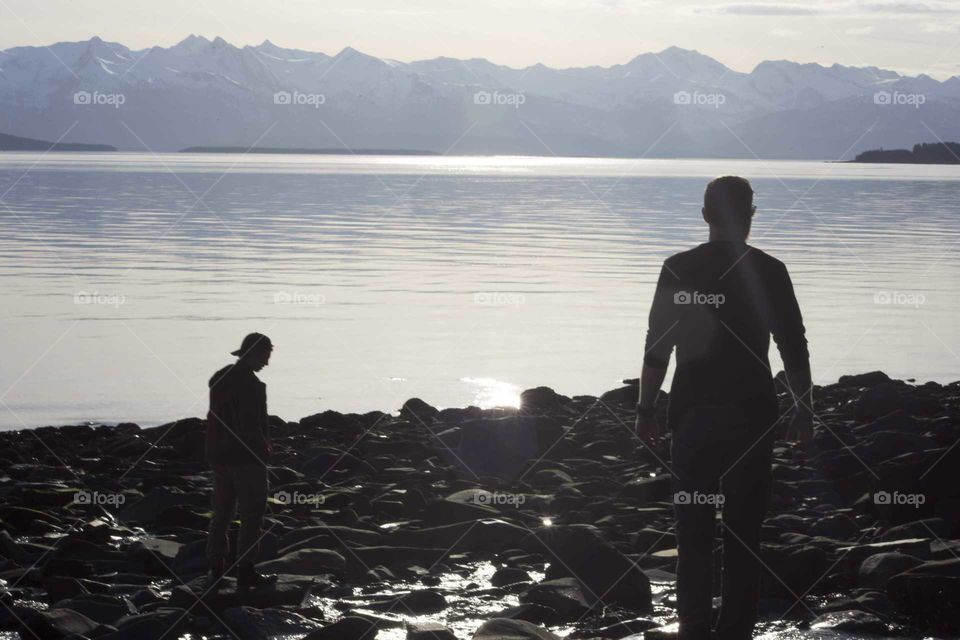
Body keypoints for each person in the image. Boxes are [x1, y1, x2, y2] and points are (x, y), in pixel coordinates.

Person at [635, 176, 813, 640]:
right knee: (743, 535)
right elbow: (793, 346)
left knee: (692, 533)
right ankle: (736, 631)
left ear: (704, 215)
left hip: (692, 414)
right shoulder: (770, 270)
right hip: (752, 415)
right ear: (751, 216)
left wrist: (645, 409)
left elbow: (658, 346)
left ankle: (693, 628)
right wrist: (804, 410)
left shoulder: (679, 267)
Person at [205, 332, 275, 588]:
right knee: (252, 514)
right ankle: (245, 569)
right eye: (265, 356)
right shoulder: (253, 387)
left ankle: (216, 566)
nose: (266, 362)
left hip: (220, 455)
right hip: (247, 458)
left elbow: (214, 418)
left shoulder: (220, 379)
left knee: (222, 513)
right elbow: (253, 425)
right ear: (253, 354)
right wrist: (263, 452)